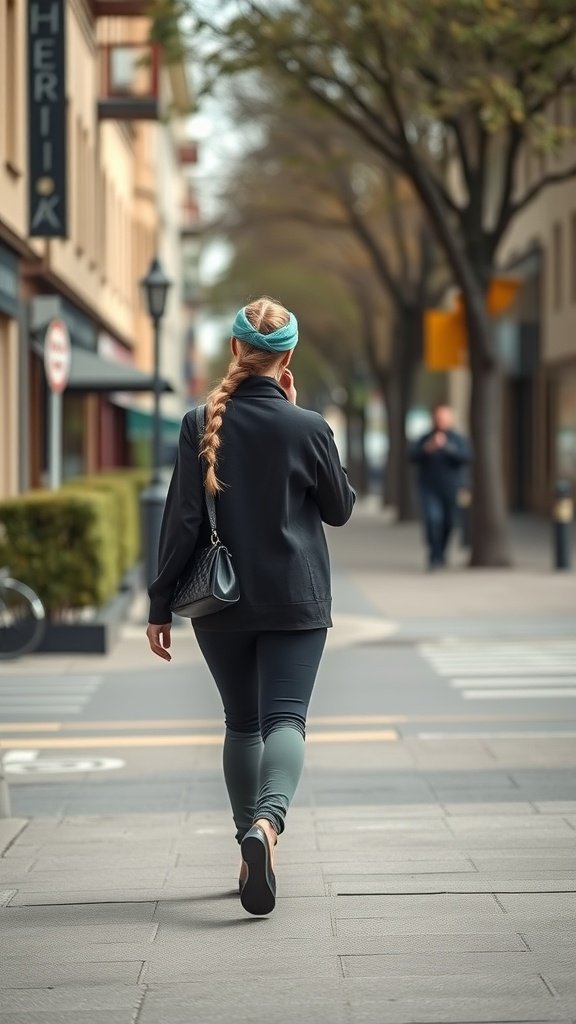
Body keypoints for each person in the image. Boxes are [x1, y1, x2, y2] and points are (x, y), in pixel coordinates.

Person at [145, 296, 356, 916]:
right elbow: (339, 508)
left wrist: (160, 604)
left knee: (241, 722)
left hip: (220, 601)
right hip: (296, 596)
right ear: (287, 355)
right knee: (284, 719)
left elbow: (182, 522)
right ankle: (266, 827)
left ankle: (246, 855)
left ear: (235, 348)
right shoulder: (309, 425)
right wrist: (296, 416)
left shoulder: (197, 422)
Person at [410, 404, 472, 570]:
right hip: (428, 487)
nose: (441, 421)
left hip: (452, 488)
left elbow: (465, 458)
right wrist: (428, 448)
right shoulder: (425, 438)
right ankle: (433, 555)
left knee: (450, 522)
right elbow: (412, 456)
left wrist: (446, 448)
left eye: (445, 418)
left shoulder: (457, 439)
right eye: (439, 418)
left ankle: (441, 552)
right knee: (433, 520)